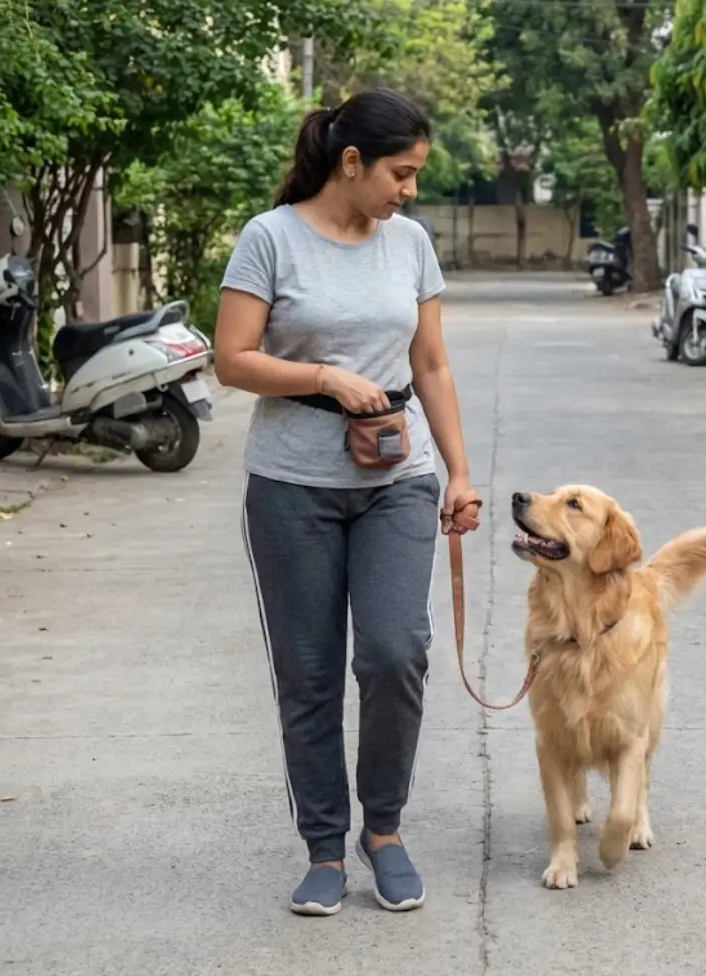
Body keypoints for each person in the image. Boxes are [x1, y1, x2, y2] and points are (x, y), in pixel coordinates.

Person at [213, 88, 479, 917]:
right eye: (401, 173)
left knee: (396, 653)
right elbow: (232, 359)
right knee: (311, 673)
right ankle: (324, 846)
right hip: (292, 485)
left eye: (417, 176)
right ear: (351, 162)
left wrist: (461, 474)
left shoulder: (410, 244)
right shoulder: (271, 238)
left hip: (399, 477)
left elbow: (429, 363)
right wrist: (325, 375)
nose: (410, 191)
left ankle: (386, 830)